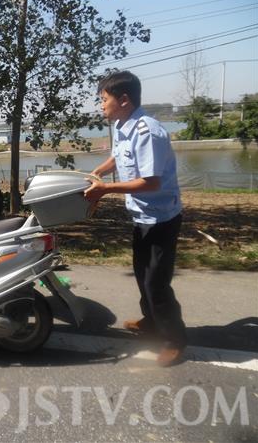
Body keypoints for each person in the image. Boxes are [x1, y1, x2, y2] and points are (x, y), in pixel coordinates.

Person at [84, 71, 187, 367]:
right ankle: (151, 321)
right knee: (142, 274)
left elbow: (151, 182)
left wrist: (105, 190)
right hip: (141, 215)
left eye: (104, 99)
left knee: (157, 282)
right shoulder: (122, 125)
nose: (101, 105)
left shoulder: (147, 132)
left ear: (124, 100)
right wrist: (100, 171)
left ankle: (174, 340)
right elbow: (118, 156)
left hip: (161, 219)